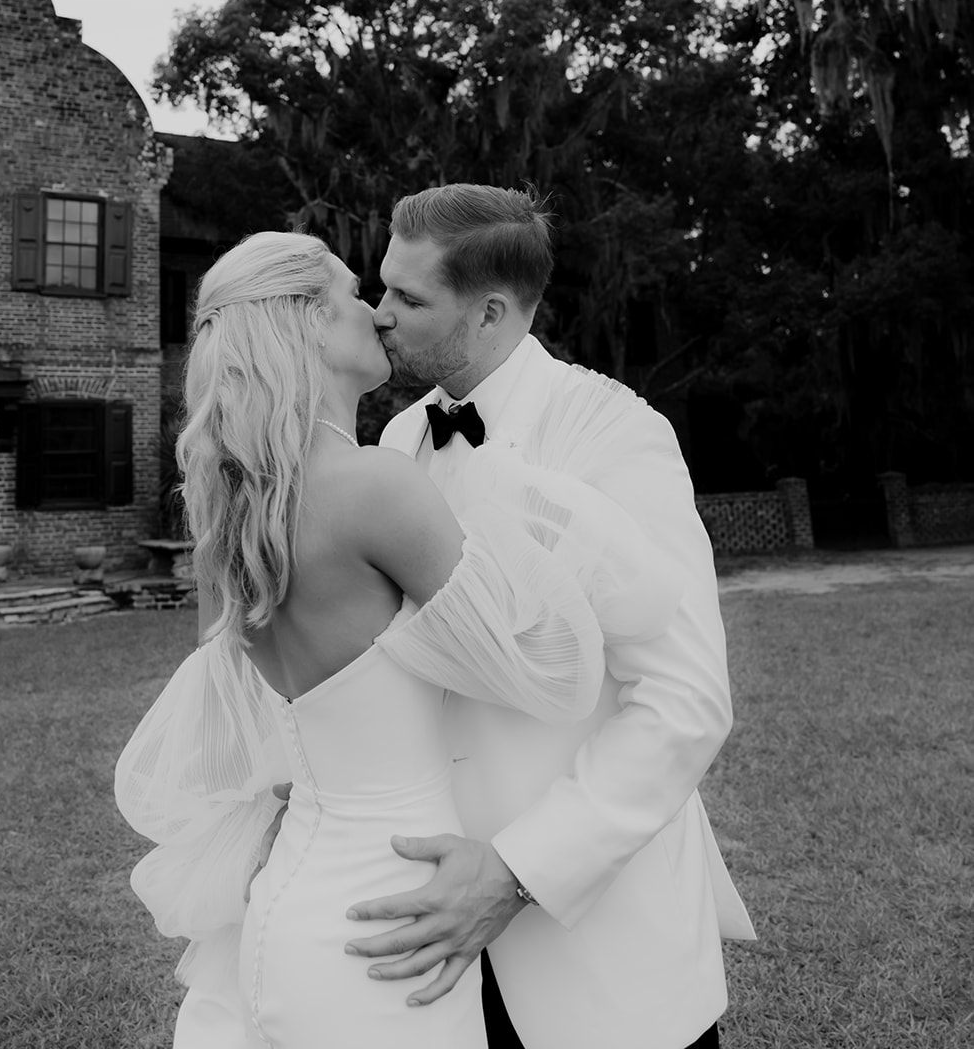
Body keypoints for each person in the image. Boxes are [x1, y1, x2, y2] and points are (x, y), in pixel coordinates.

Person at [114, 230, 680, 1048]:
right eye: (354, 294)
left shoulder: (234, 507)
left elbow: (241, 703)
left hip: (291, 894)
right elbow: (549, 668)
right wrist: (519, 500)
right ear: (307, 322)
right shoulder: (376, 483)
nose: (378, 318)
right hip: (389, 911)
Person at [340, 183, 755, 1049]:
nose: (377, 314)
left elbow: (684, 698)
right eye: (383, 286)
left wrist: (518, 872)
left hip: (595, 937)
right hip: (435, 934)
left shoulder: (616, 433)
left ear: (490, 312)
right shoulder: (398, 442)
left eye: (408, 298)